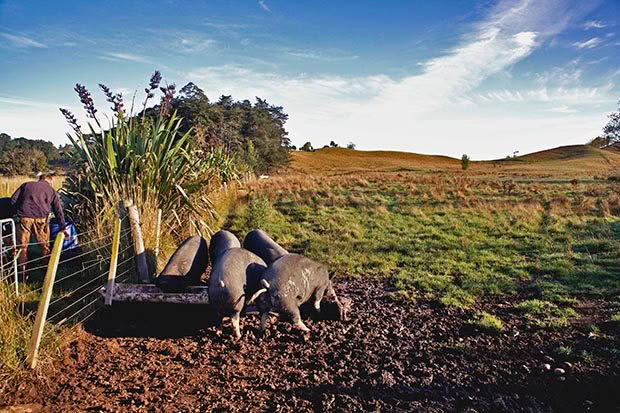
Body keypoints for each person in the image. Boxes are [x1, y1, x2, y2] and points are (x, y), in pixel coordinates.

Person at [10, 174, 69, 281]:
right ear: (49, 181)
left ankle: (22, 276)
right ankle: (46, 275)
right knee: (45, 247)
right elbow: (58, 210)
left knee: (22, 248)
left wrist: (18, 212)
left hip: (24, 218)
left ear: (39, 179)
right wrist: (63, 227)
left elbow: (13, 200)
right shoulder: (51, 190)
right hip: (41, 220)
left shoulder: (26, 185)